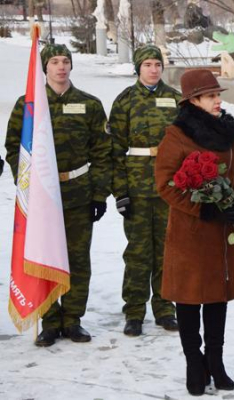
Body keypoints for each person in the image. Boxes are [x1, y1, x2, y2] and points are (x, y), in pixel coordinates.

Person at [4, 44, 111, 347]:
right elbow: (15, 148)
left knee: (78, 258)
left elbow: (103, 152)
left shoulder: (89, 104)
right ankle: (50, 321)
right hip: (42, 197)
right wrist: (26, 184)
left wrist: (99, 194)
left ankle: (73, 319)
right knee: (44, 255)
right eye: (54, 62)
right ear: (45, 67)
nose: (61, 67)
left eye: (66, 61)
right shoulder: (29, 105)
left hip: (78, 192)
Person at [155, 69, 234, 395]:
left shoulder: (229, 133)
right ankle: (193, 362)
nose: (218, 100)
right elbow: (166, 185)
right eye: (211, 96)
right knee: (189, 298)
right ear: (193, 100)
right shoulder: (177, 136)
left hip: (222, 234)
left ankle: (216, 361)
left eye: (218, 94)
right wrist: (204, 207)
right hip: (190, 234)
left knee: (216, 297)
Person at [109, 45, 182, 337]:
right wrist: (120, 192)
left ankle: (165, 309)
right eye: (148, 64)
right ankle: (134, 312)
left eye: (157, 64)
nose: (153, 69)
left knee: (167, 251)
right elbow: (113, 151)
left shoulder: (176, 99)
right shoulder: (125, 101)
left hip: (170, 186)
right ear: (138, 68)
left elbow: (188, 145)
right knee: (138, 253)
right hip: (137, 187)